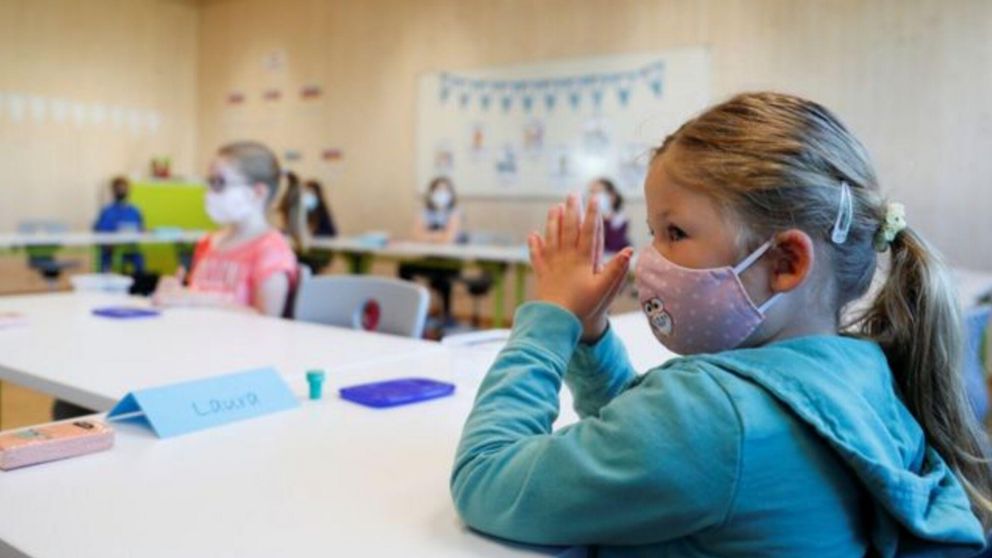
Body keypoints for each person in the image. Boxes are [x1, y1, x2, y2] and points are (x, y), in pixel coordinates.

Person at [451, 92, 990, 556]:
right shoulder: (860, 371)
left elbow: (486, 476)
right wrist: (590, 338)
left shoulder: (714, 417)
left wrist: (550, 320)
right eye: (653, 231)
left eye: (675, 232)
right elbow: (643, 444)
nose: (648, 258)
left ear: (785, 263)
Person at [152, 141, 298, 317]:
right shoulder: (208, 242)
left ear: (257, 192)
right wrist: (175, 292)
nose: (209, 192)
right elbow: (195, 296)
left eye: (219, 182)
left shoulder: (271, 250)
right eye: (209, 182)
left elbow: (268, 318)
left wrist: (197, 301)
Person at [399, 176, 464, 322]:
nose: (441, 193)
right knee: (405, 268)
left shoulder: (455, 212)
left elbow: (449, 239)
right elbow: (415, 235)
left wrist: (428, 235)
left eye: (445, 190)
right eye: (437, 190)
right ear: (431, 193)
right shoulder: (424, 211)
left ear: (451, 193)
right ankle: (410, 310)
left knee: (443, 278)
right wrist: (439, 235)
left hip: (450, 261)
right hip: (429, 259)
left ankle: (446, 316)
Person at [93, 176, 145, 273]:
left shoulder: (134, 211)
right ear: (113, 190)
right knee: (107, 256)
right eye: (118, 188)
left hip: (129, 247)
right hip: (110, 249)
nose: (121, 191)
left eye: (123, 188)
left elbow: (140, 229)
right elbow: (99, 230)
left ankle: (138, 282)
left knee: (138, 258)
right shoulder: (107, 211)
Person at [587, 177, 630, 252]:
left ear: (612, 196)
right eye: (591, 192)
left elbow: (612, 247)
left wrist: (605, 221)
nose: (593, 196)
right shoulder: (586, 218)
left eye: (598, 192)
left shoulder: (619, 220)